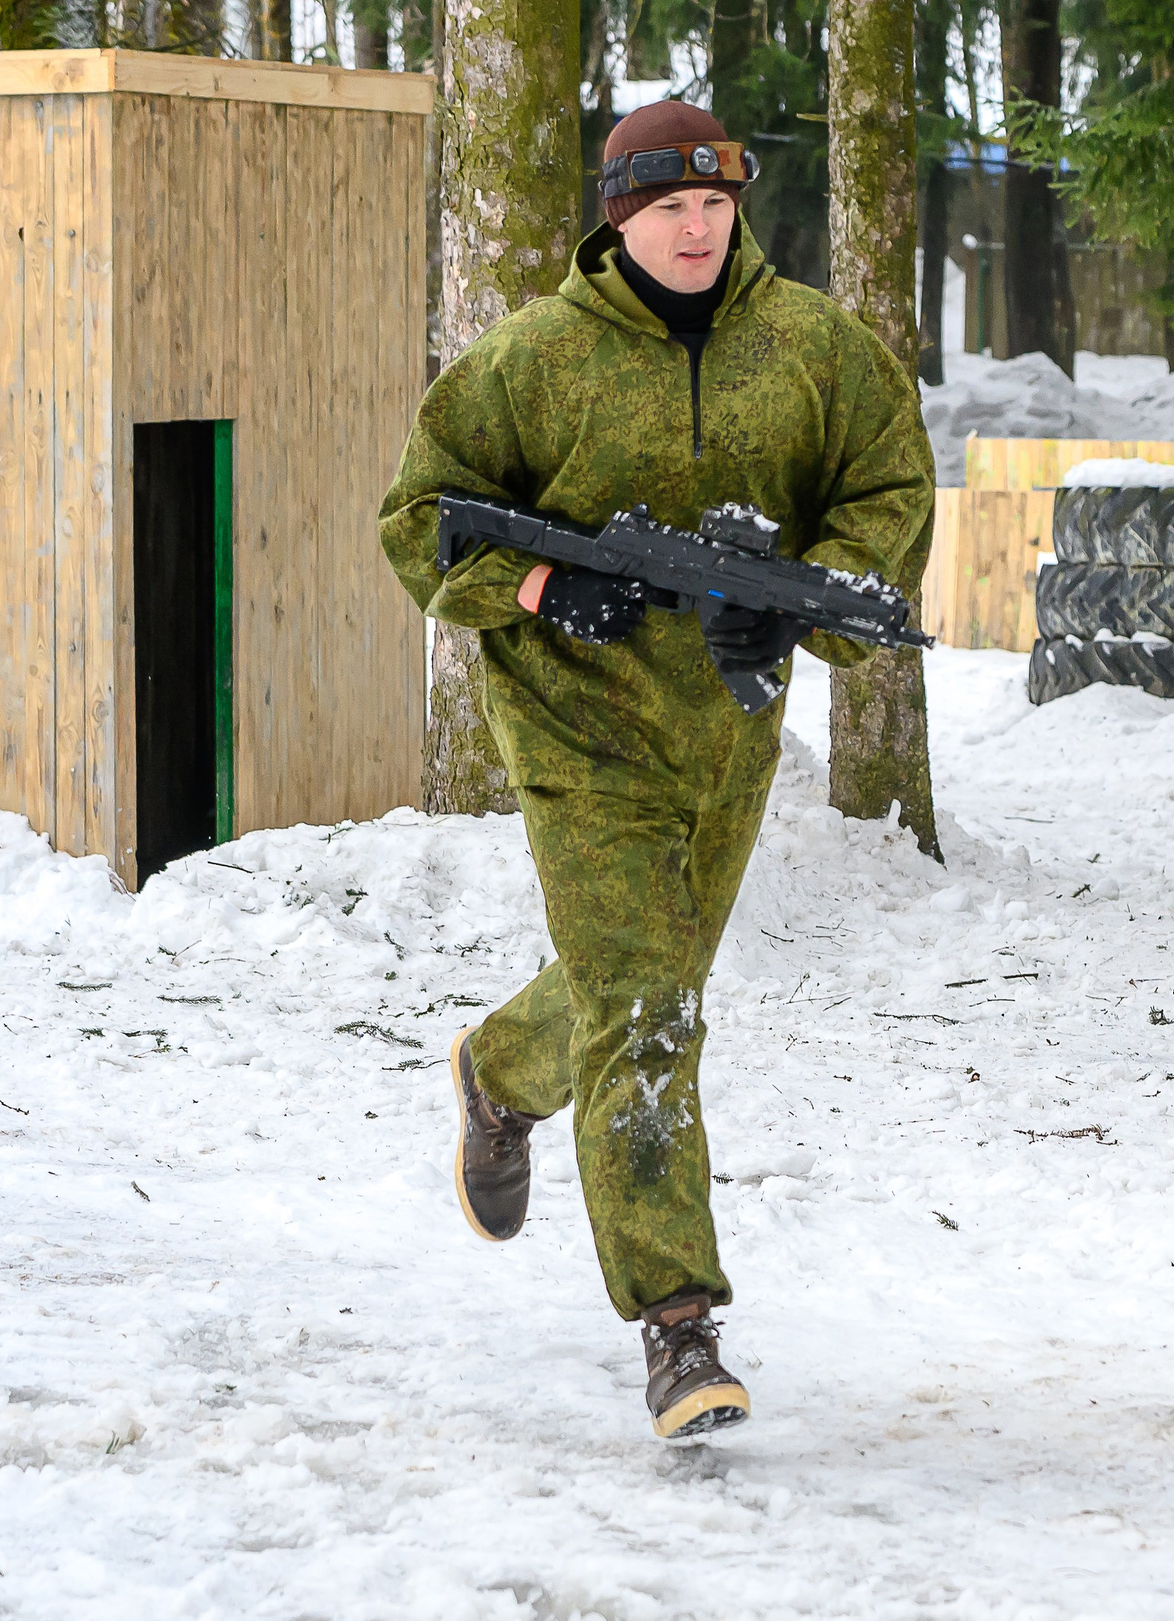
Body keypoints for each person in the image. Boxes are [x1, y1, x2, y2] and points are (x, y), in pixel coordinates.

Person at [377, 100, 933, 1438]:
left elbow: (888, 491)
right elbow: (418, 521)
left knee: (646, 977)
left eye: (715, 203)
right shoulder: (532, 361)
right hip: (576, 728)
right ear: (618, 216)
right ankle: (680, 1330)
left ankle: (503, 1071)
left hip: (724, 734)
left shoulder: (816, 349)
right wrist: (542, 585)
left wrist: (797, 603)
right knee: (652, 1015)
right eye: (666, 205)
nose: (695, 226)